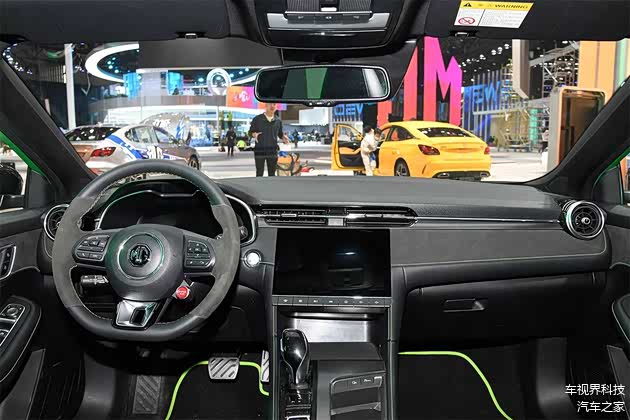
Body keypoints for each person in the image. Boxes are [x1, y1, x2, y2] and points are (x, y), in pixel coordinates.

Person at [248, 103, 289, 176]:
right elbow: (250, 132)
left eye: (274, 104)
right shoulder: (257, 119)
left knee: (272, 173)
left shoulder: (278, 120)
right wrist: (254, 134)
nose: (272, 106)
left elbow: (280, 134)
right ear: (266, 105)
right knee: (259, 173)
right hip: (259, 150)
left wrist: (284, 138)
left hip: (272, 150)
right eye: (270, 104)